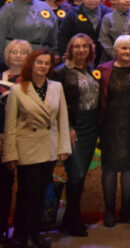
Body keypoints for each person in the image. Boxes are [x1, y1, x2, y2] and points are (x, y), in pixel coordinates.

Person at [2, 50, 70, 248]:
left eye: (47, 63)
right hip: (27, 147)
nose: (42, 66)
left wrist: (63, 146)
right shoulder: (17, 90)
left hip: (48, 147)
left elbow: (62, 119)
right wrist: (10, 153)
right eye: (39, 62)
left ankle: (34, 232)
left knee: (40, 192)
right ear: (31, 64)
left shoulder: (57, 87)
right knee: (27, 192)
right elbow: (10, 125)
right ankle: (22, 234)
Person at [51, 34, 98, 237]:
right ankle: (73, 219)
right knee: (76, 175)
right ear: (70, 49)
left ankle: (69, 219)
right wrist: (67, 126)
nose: (81, 50)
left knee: (80, 176)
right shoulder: (61, 72)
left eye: (85, 46)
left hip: (90, 127)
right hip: (73, 126)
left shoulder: (91, 70)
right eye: (77, 46)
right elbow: (57, 103)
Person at [0, 40, 32, 246]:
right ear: (7, 55)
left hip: (29, 138)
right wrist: (0, 136)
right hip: (3, 138)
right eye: (14, 52)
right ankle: (2, 229)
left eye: (23, 52)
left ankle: (22, 230)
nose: (18, 55)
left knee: (26, 187)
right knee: (3, 186)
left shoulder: (35, 79)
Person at [96, 35, 130, 227]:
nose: (127, 52)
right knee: (110, 169)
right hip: (110, 126)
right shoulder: (103, 70)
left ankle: (126, 210)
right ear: (115, 51)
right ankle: (109, 211)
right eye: (123, 48)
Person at [58, 0, 112, 64]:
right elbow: (63, 35)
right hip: (78, 57)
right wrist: (64, 55)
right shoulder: (73, 13)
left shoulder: (108, 13)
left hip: (103, 58)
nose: (91, 0)